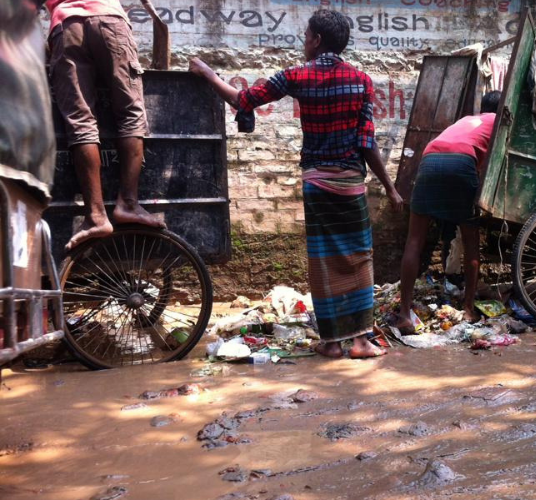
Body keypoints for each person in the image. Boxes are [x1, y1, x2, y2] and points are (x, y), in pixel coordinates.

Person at [189, 9, 403, 359]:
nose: (304, 41)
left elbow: (243, 99)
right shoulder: (361, 81)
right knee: (358, 258)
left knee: (322, 260)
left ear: (317, 40)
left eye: (306, 36)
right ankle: (362, 342)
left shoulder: (296, 75)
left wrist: (209, 74)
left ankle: (331, 343)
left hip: (316, 183)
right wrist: (390, 187)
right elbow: (367, 144)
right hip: (350, 183)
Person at [45, 0, 165, 250]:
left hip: (66, 26)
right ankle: (128, 203)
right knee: (130, 113)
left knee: (81, 122)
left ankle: (96, 216)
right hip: (109, 20)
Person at [394, 91, 501, 333]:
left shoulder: (465, 120)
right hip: (461, 162)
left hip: (430, 159)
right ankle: (469, 308)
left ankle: (404, 314)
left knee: (414, 241)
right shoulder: (497, 123)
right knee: (471, 241)